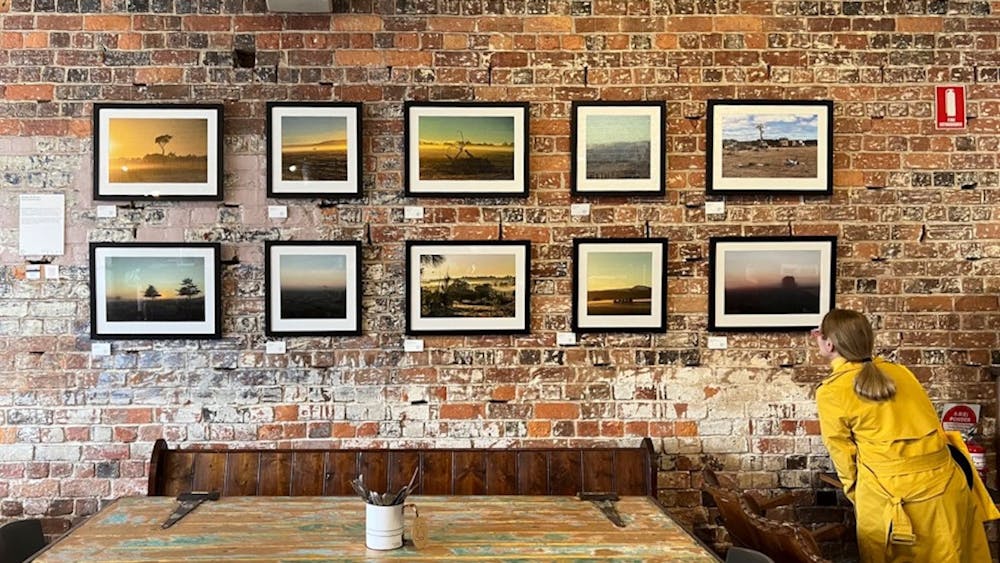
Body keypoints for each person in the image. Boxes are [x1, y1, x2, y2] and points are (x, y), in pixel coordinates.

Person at [813, 308, 997, 562]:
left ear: (829, 342)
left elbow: (843, 458)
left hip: (896, 501)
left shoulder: (831, 392)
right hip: (948, 490)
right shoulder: (901, 372)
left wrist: (860, 496)